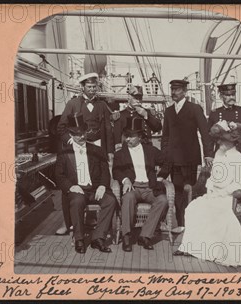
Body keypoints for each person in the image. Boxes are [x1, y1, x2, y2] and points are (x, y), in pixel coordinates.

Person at [173, 120, 241, 267]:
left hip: (229, 196)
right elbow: (213, 177)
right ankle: (194, 247)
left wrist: (223, 192)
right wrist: (211, 189)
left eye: (222, 141)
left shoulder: (239, 159)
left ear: (232, 142)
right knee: (193, 208)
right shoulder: (219, 154)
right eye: (219, 140)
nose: (219, 143)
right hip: (214, 194)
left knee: (217, 213)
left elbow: (238, 183)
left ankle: (215, 250)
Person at [55, 73, 115, 236]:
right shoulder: (73, 103)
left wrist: (110, 151)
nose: (92, 89)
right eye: (89, 86)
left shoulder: (102, 105)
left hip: (96, 147)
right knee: (72, 182)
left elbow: (108, 129)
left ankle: (96, 220)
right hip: (77, 146)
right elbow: (61, 127)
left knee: (97, 181)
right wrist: (70, 142)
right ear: (83, 87)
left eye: (94, 86)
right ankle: (68, 223)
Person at [55, 113, 117, 254]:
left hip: (95, 189)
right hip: (77, 190)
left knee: (110, 201)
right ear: (71, 135)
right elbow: (59, 175)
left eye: (83, 133)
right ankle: (79, 239)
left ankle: (98, 238)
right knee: (77, 201)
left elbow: (105, 171)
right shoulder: (64, 152)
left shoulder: (97, 150)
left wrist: (102, 185)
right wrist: (71, 186)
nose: (82, 137)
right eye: (77, 134)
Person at [159, 79, 210, 234]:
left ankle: (191, 222)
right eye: (172, 89)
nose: (174, 92)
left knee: (189, 190)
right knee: (178, 191)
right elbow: (165, 137)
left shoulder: (194, 109)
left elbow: (205, 133)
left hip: (189, 159)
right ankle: (181, 223)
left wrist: (208, 154)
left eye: (178, 90)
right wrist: (164, 156)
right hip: (173, 161)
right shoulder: (168, 111)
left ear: (185, 91)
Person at [113, 117, 168, 252]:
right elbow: (116, 170)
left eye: (131, 137)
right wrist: (125, 180)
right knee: (128, 198)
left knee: (162, 200)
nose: (128, 139)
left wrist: (160, 177)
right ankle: (126, 236)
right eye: (127, 136)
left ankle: (145, 235)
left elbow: (167, 162)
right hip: (133, 187)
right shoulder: (120, 154)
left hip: (149, 187)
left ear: (139, 136)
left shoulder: (151, 150)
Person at [205, 83, 241, 166]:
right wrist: (209, 155)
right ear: (221, 96)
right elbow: (209, 137)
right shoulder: (215, 113)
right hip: (221, 155)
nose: (231, 97)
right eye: (227, 95)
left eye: (233, 94)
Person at [113, 85, 162, 149]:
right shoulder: (121, 115)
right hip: (129, 150)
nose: (138, 101)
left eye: (140, 98)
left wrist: (146, 115)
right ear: (129, 97)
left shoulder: (147, 112)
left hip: (147, 150)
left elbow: (158, 128)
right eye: (135, 98)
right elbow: (117, 140)